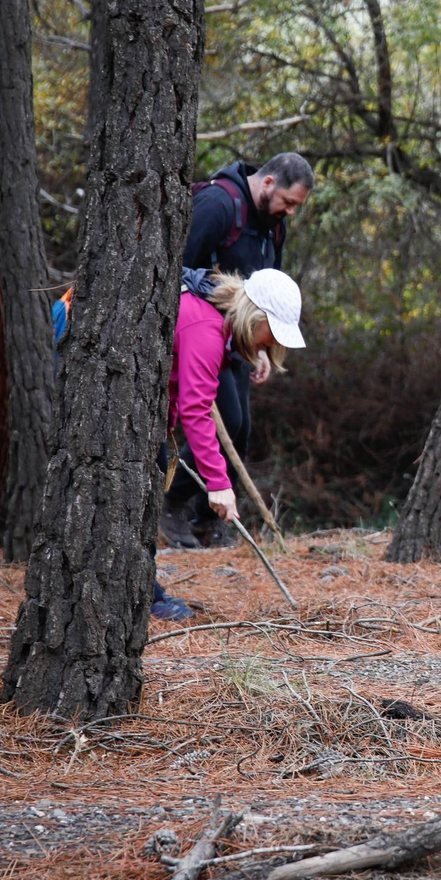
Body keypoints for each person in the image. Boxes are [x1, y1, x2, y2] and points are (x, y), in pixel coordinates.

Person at [162, 152, 315, 548]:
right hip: (205, 329)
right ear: (268, 184)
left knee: (241, 428)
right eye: (288, 202)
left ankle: (206, 518)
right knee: (220, 418)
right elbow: (173, 266)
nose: (290, 212)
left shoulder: (273, 225)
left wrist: (261, 348)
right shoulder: (217, 204)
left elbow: (272, 289)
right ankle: (173, 504)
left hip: (239, 336)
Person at [153, 265, 307, 621]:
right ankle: (145, 595)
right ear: (256, 316)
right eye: (271, 333)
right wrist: (219, 484)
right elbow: (197, 409)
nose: (271, 342)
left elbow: (176, 382)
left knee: (149, 479)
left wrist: (165, 423)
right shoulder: (207, 330)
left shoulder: (218, 322)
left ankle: (144, 589)